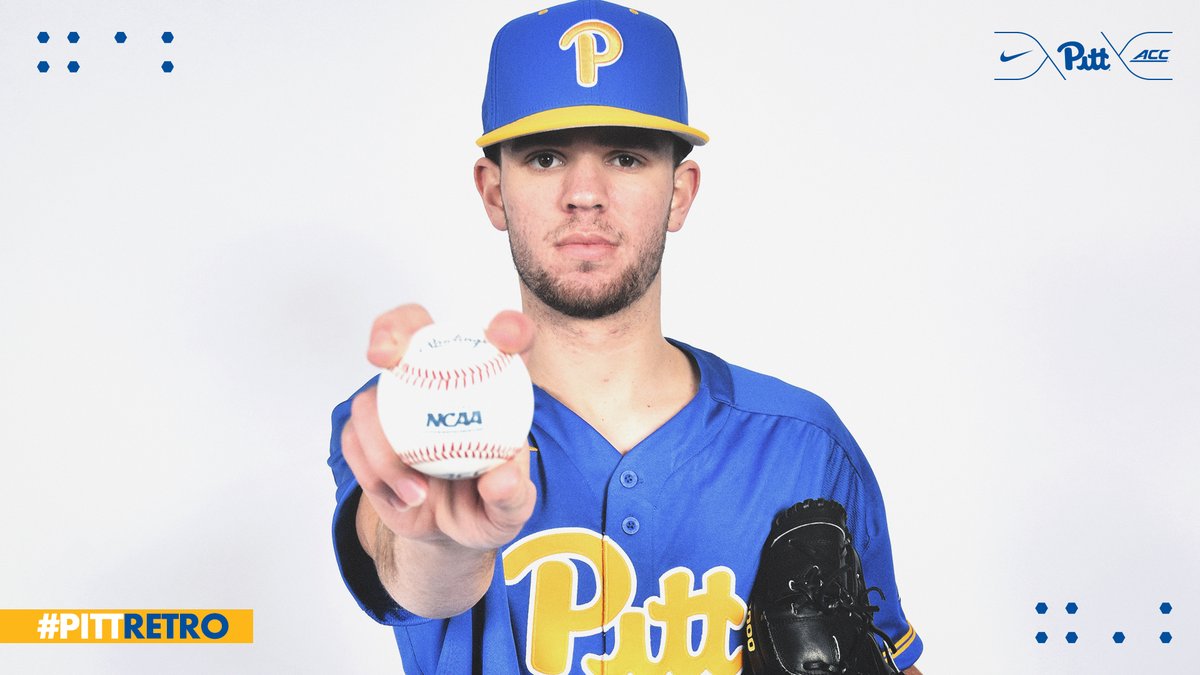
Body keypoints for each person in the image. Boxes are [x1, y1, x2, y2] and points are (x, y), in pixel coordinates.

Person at [327, 1, 925, 673]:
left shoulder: (804, 443)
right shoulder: (414, 420)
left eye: (625, 157)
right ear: (493, 191)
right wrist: (443, 541)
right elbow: (406, 571)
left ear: (680, 192)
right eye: (546, 157)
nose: (585, 193)